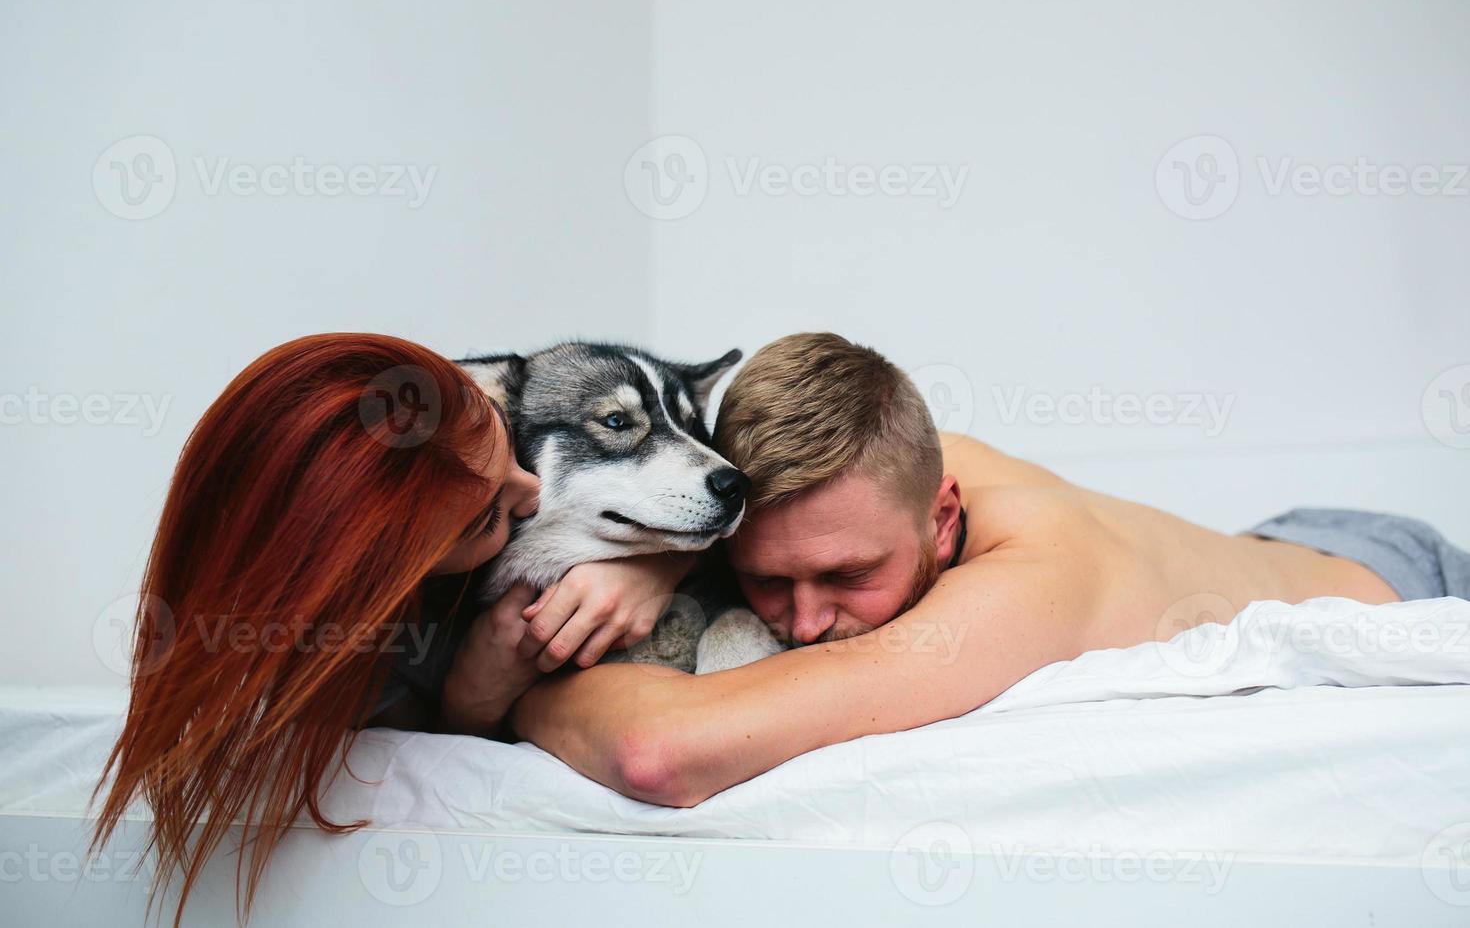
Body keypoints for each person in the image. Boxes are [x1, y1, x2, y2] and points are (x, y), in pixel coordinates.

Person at [486, 332, 1470, 807]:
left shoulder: (1026, 585)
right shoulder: (866, 455)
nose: (806, 620)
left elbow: (662, 753)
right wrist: (662, 559)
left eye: (846, 575)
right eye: (767, 581)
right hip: (1253, 537)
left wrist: (504, 688)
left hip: (1388, 573)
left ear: (943, 517)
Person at [91, 333, 678, 927]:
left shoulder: (417, 424)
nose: (532, 492)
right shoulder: (352, 661)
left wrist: (657, 566)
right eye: (489, 517)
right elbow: (439, 780)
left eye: (507, 447)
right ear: (393, 574)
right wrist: (473, 701)